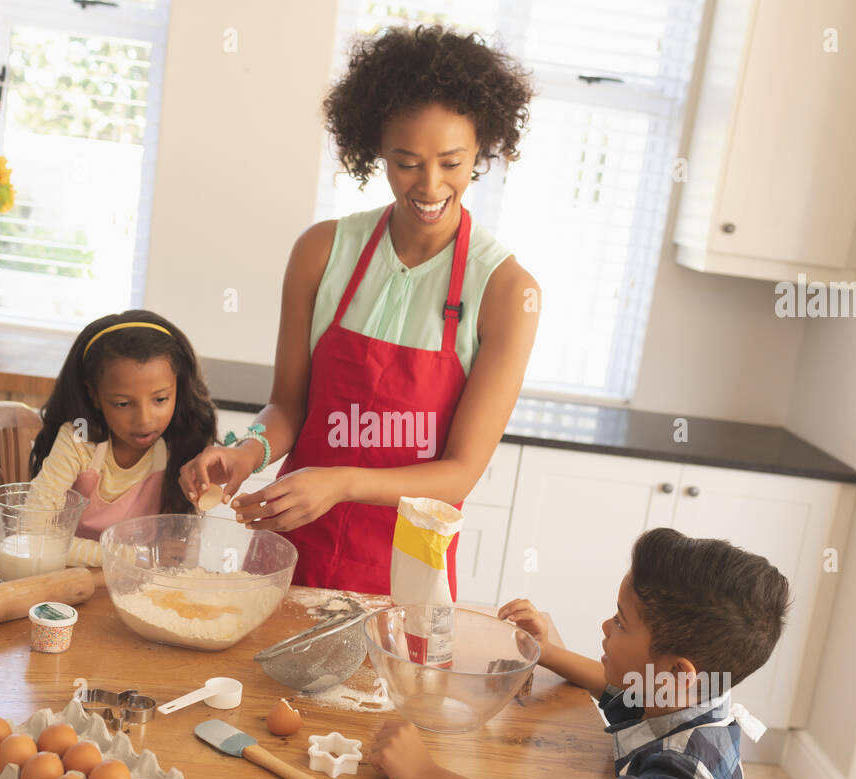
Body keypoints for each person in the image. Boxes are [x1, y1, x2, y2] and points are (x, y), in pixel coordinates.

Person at [178, 25, 539, 598]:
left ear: (483, 150)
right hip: (291, 548)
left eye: (452, 162)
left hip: (404, 576)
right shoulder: (322, 252)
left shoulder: (506, 291)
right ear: (376, 148)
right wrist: (245, 449)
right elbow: (289, 405)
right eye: (406, 162)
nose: (430, 185)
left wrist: (340, 482)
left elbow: (460, 473)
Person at [369, 528, 791, 779]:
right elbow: (615, 689)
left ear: (678, 672)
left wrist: (425, 777)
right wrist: (546, 652)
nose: (606, 626)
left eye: (622, 623)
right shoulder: (685, 692)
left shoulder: (691, 772)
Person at [28, 310, 217, 565]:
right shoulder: (78, 440)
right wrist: (132, 556)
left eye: (160, 399)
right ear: (94, 395)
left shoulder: (182, 444)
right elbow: (31, 533)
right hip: (65, 581)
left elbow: (179, 559)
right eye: (122, 404)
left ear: (178, 389)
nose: (145, 420)